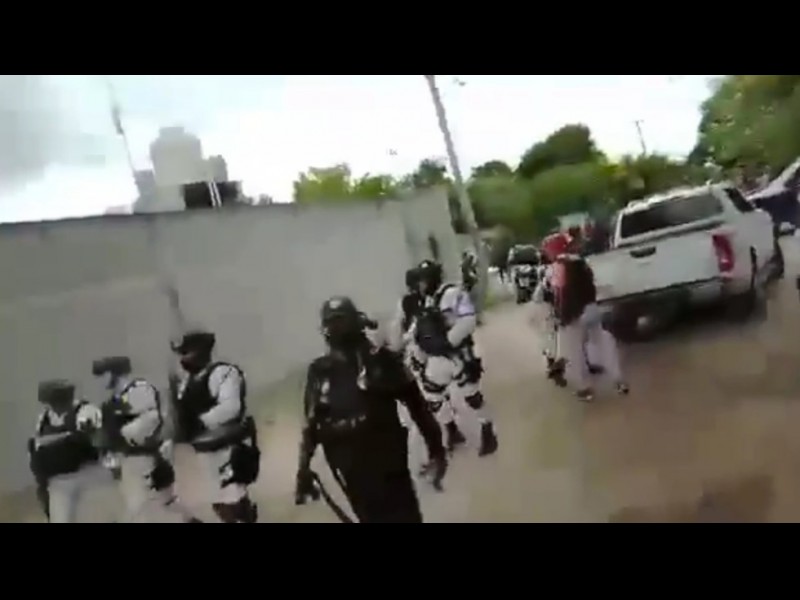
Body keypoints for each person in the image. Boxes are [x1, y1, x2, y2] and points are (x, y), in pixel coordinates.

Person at [294, 296, 447, 523]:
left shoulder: (381, 360)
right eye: (331, 323)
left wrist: (436, 451)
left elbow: (418, 406)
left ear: (356, 322)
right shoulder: (319, 372)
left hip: (390, 468)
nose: (336, 328)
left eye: (341, 321)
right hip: (351, 474)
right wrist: (303, 471)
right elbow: (311, 424)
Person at [91, 356, 201, 523]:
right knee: (164, 502)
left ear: (116, 374)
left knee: (138, 506)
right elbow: (109, 435)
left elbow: (151, 421)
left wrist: (125, 433)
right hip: (132, 458)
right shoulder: (110, 404)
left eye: (103, 375)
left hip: (145, 456)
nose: (100, 381)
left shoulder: (139, 391)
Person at [172, 330, 261, 523]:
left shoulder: (223, 373)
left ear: (202, 351)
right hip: (205, 451)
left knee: (233, 500)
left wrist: (201, 421)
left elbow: (231, 407)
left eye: (187, 353)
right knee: (220, 503)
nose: (183, 359)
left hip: (229, 448)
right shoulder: (186, 383)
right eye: (182, 354)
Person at [412, 259, 499, 456]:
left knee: (472, 397)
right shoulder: (427, 300)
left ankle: (488, 431)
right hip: (438, 358)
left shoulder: (454, 294)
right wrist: (419, 351)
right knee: (433, 396)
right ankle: (452, 430)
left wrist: (448, 342)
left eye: (423, 280)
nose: (421, 285)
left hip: (459, 354)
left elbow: (469, 320)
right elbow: (421, 329)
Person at [388, 267, 467, 452]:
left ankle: (450, 429)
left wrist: (398, 347)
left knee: (430, 391)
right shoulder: (433, 297)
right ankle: (449, 424)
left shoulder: (408, 302)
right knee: (435, 388)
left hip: (419, 349)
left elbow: (400, 327)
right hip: (436, 349)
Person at [27, 380, 107, 523]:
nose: (55, 406)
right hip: (57, 481)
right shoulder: (44, 418)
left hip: (87, 476)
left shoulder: (85, 411)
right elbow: (35, 447)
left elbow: (89, 438)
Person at [553, 254, 629, 402]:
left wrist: (563, 319)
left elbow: (567, 305)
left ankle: (585, 389)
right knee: (603, 344)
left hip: (577, 315)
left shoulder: (568, 284)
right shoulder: (586, 278)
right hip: (592, 311)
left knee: (575, 352)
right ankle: (618, 379)